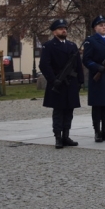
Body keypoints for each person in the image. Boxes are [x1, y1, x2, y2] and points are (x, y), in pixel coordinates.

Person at [39, 18, 84, 149]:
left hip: (71, 83)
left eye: (65, 28)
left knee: (69, 111)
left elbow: (78, 65)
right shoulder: (49, 46)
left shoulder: (72, 45)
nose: (64, 30)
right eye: (60, 29)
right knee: (58, 111)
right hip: (57, 84)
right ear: (54, 32)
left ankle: (66, 136)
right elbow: (44, 65)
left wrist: (80, 81)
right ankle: (58, 137)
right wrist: (54, 80)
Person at [81, 15, 105, 143]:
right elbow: (86, 60)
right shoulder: (91, 41)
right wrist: (97, 67)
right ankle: (97, 132)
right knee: (97, 106)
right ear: (95, 28)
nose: (104, 27)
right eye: (100, 25)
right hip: (98, 77)